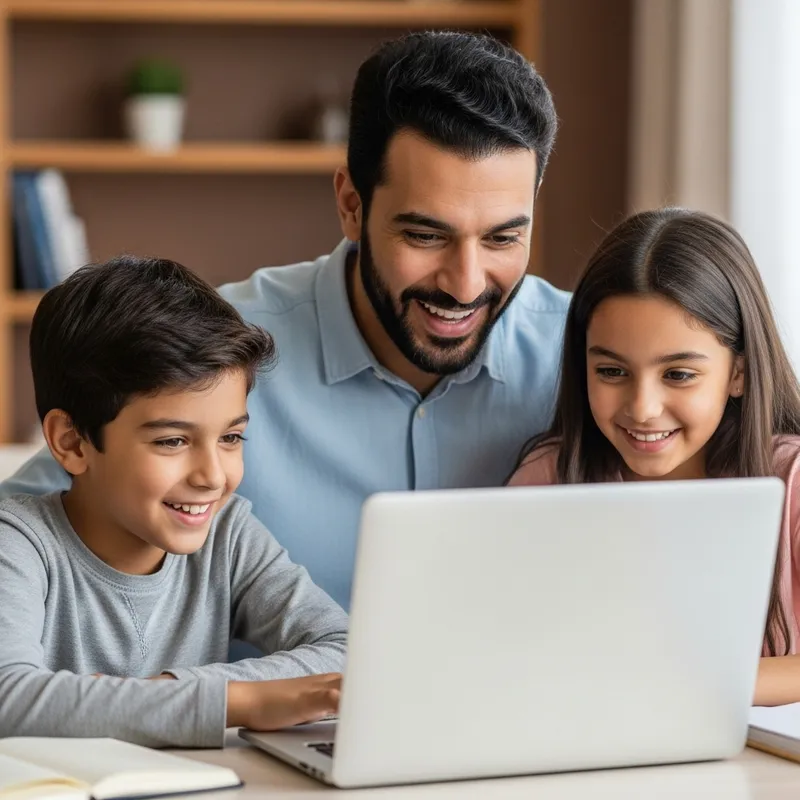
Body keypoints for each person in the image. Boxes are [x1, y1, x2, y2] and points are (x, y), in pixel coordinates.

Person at [1, 31, 569, 609]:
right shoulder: (216, 348)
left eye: (503, 237)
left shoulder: (597, 359)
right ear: (351, 204)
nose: (466, 283)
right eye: (425, 235)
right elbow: (24, 519)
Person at [0, 256, 347, 747]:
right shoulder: (16, 543)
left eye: (230, 438)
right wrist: (240, 701)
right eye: (172, 442)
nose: (212, 478)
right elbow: (8, 699)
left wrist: (161, 695)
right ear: (73, 442)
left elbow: (348, 651)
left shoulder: (229, 534)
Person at [508, 207, 800, 706]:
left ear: (739, 373)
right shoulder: (550, 480)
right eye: (612, 372)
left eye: (679, 375)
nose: (642, 409)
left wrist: (680, 685)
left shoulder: (790, 480)